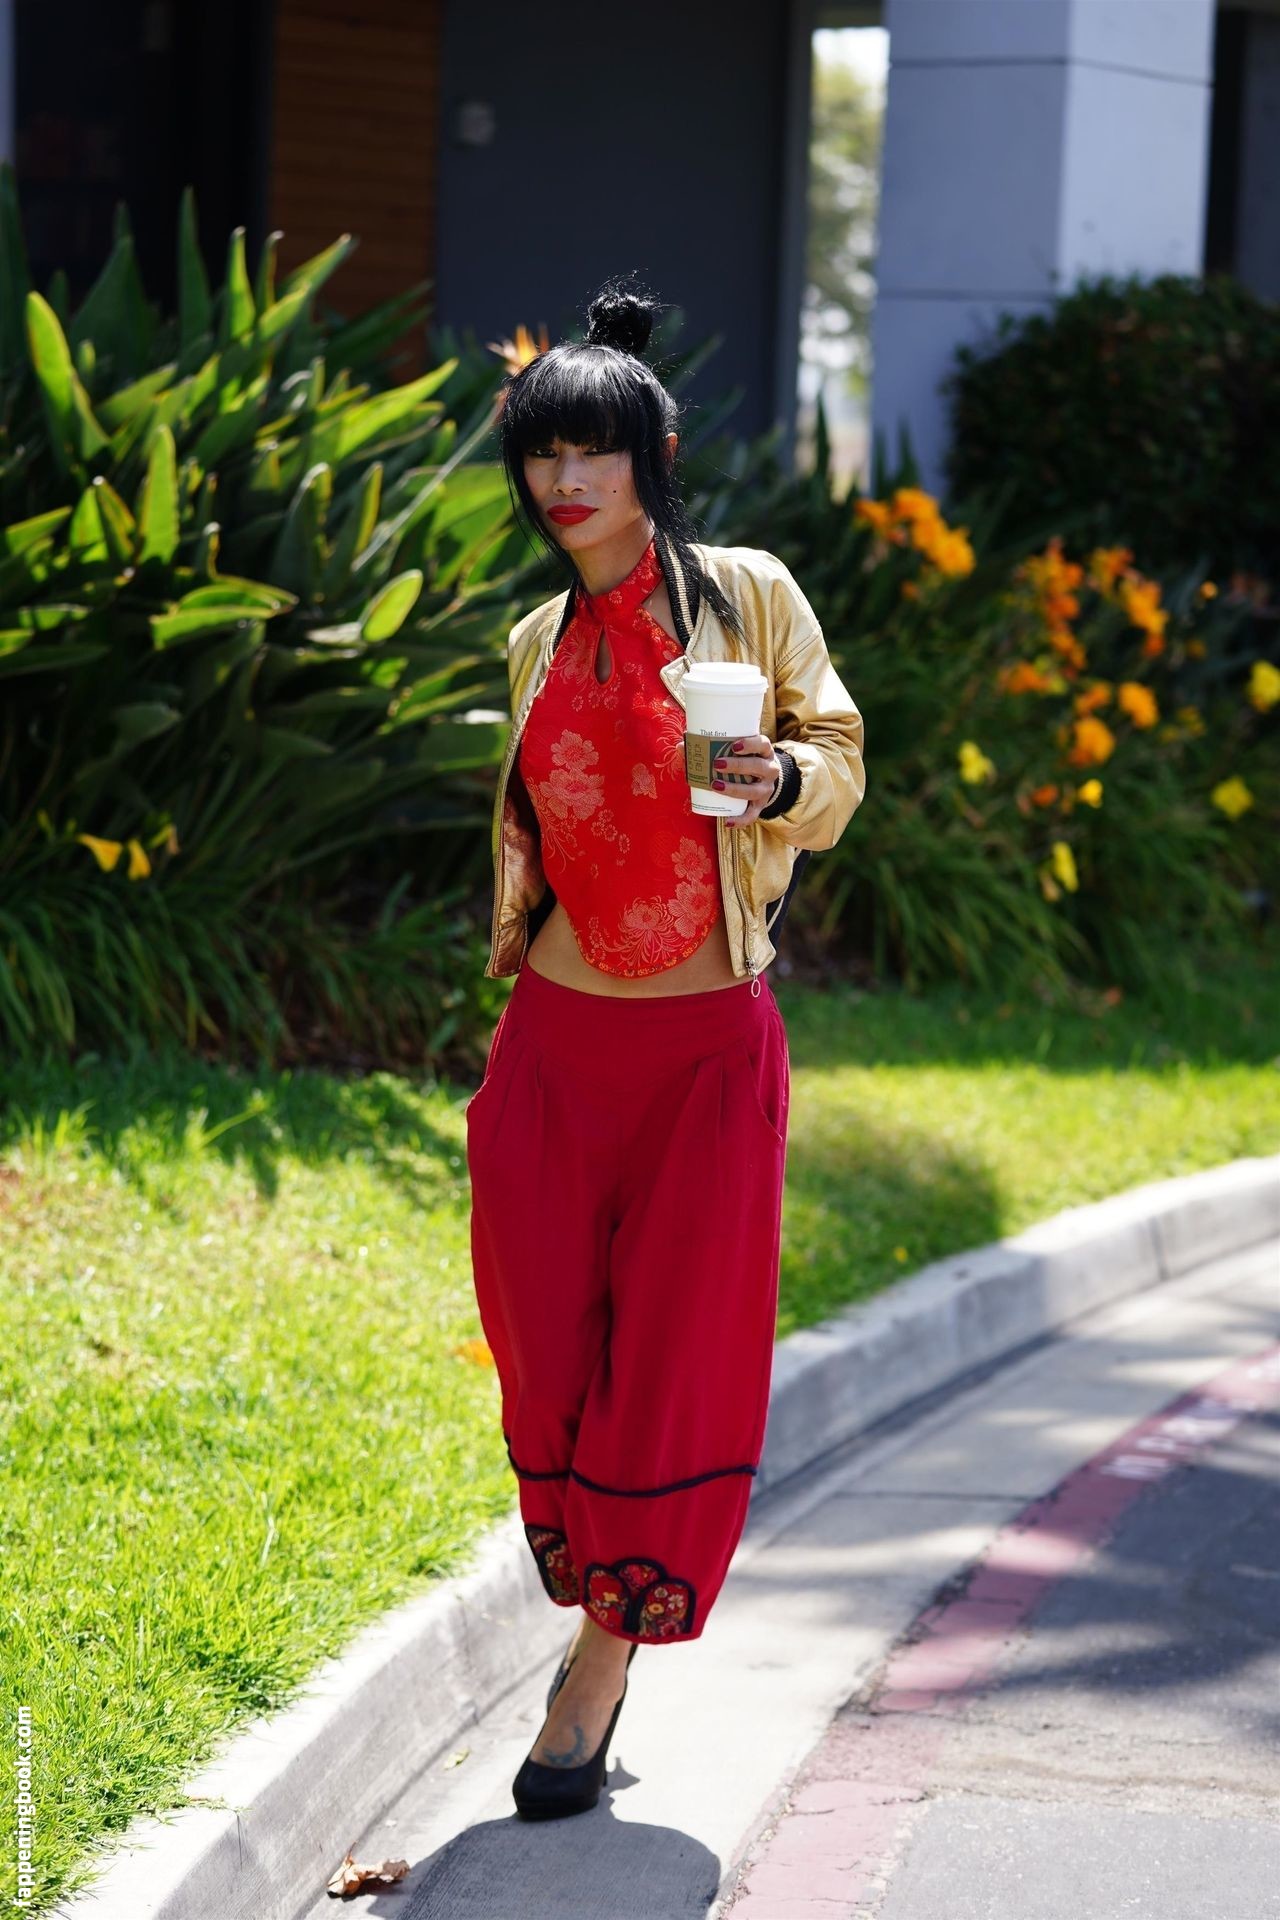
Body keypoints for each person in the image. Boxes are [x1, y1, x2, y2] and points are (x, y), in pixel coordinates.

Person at [465, 275, 867, 1820]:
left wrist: (779, 782)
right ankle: (597, 1590)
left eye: (595, 450)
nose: (565, 479)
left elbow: (837, 754)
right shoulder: (532, 639)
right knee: (545, 1351)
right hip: (553, 1050)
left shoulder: (748, 597)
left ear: (656, 455)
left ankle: (600, 1659)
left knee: (672, 1360)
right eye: (541, 452)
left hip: (705, 1051)